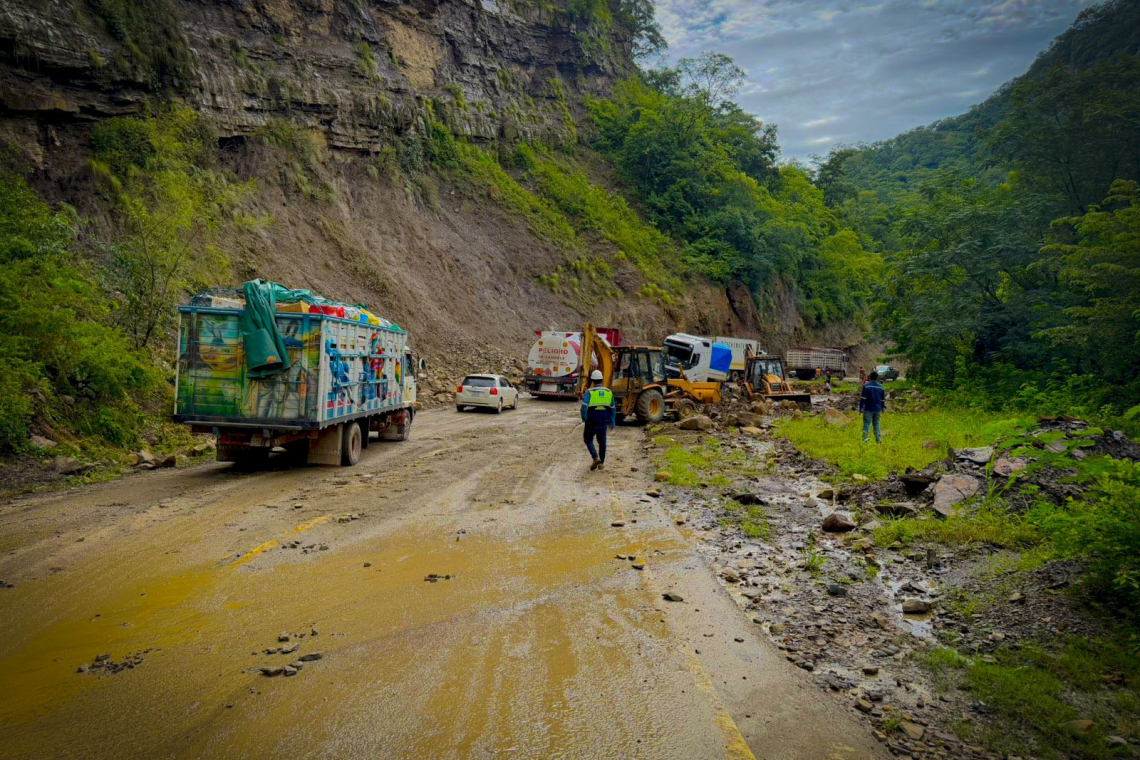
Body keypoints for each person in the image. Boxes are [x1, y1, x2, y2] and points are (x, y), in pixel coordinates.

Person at [581, 369, 616, 470]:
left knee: (588, 439)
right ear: (602, 379)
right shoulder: (609, 392)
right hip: (604, 420)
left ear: (592, 381)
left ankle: (595, 457)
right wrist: (612, 422)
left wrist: (584, 418)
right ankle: (601, 463)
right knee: (602, 441)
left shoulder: (590, 392)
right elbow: (613, 409)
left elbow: (584, 406)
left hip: (592, 420)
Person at [859, 370, 886, 444]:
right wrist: (882, 408)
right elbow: (882, 400)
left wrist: (861, 408)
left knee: (866, 424)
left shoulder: (866, 386)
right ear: (877, 378)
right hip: (877, 409)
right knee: (876, 423)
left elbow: (863, 398)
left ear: (869, 377)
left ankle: (865, 440)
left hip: (868, 408)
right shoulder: (881, 387)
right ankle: (878, 440)